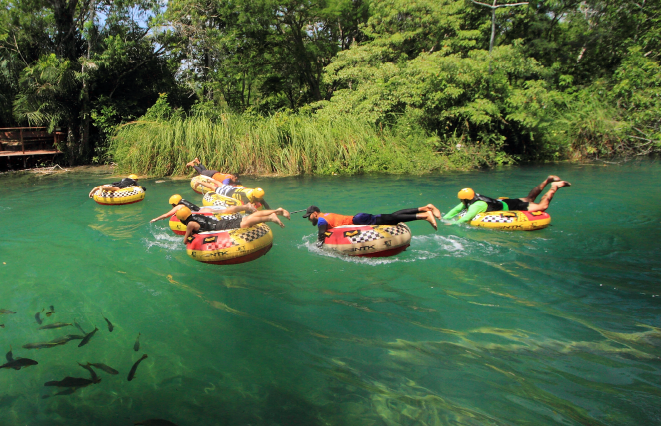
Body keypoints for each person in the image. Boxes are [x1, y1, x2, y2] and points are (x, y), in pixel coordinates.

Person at [443, 175, 571, 225]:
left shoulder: (475, 206)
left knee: (542, 206)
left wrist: (451, 223)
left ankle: (554, 187)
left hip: (513, 207)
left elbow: (466, 217)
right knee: (529, 198)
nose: (461, 202)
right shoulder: (473, 199)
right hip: (506, 203)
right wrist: (445, 217)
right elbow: (456, 209)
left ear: (465, 199)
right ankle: (547, 180)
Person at [303, 204, 440, 246]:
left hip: (359, 221)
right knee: (391, 217)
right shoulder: (327, 215)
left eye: (309, 216)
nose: (309, 219)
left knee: (392, 218)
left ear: (315, 213)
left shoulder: (321, 220)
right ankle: (423, 208)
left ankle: (424, 216)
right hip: (359, 218)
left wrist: (318, 245)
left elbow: (321, 234)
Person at [176, 205, 290, 243]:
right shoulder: (197, 214)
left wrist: (191, 236)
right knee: (249, 218)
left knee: (245, 223)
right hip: (221, 222)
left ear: (182, 219)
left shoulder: (190, 224)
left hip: (220, 227)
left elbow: (185, 241)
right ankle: (276, 211)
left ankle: (270, 218)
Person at [149, 195, 256, 223]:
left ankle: (246, 207)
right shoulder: (184, 201)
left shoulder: (178, 206)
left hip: (202, 213)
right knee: (225, 211)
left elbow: (166, 215)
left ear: (173, 203)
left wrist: (156, 219)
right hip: (204, 209)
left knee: (225, 213)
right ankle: (246, 207)